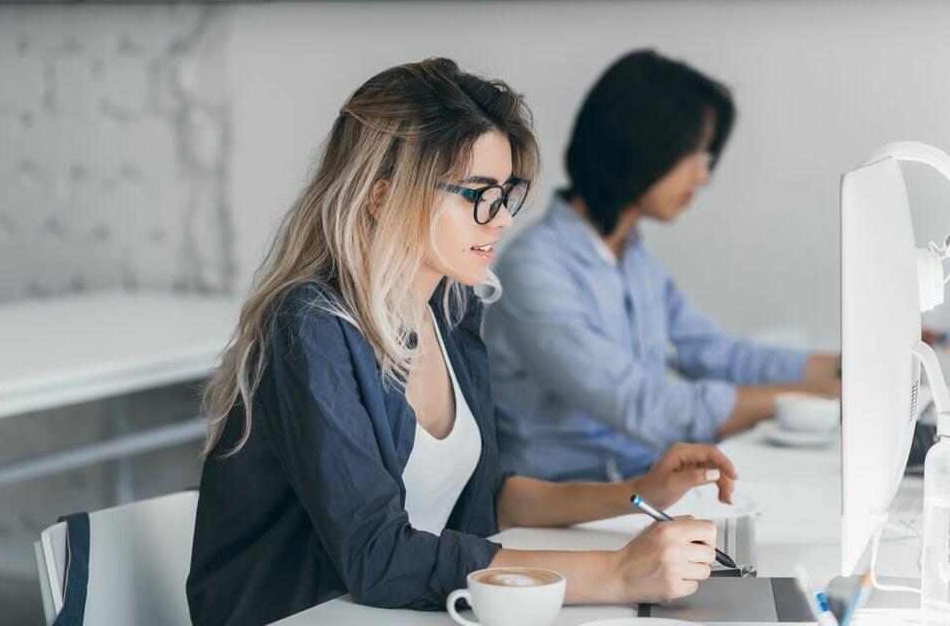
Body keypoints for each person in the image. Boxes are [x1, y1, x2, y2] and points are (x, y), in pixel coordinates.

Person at [185, 58, 739, 626]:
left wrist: (636, 492)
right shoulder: (311, 326)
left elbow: (483, 497)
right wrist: (616, 573)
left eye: (505, 194)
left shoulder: (451, 312)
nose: (498, 219)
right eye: (477, 194)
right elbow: (378, 555)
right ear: (382, 197)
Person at [483, 49, 841, 483]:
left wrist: (852, 366)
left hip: (645, 488)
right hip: (571, 510)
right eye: (694, 154)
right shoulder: (534, 270)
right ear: (639, 144)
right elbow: (644, 405)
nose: (702, 176)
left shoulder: (633, 258)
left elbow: (719, 355)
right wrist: (819, 397)